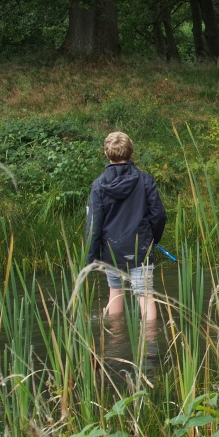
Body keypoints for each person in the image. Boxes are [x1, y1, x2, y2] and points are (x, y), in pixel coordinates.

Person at [85, 131, 167, 321]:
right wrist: (151, 240)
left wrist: (92, 257)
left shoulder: (98, 185)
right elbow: (159, 215)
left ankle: (115, 344)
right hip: (141, 249)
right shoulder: (145, 181)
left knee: (116, 292)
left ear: (106, 154)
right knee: (145, 296)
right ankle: (150, 345)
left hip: (111, 250)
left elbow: (94, 225)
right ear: (131, 152)